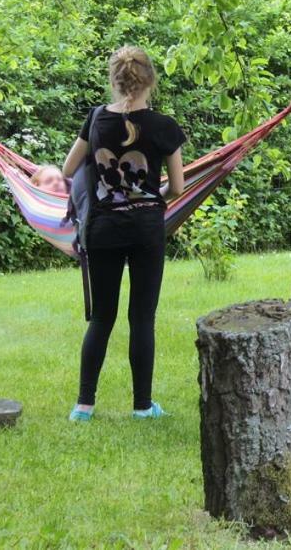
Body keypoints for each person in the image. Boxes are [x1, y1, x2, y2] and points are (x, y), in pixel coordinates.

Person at [61, 46, 186, 421]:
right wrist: (150, 196)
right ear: (150, 80)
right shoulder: (164, 126)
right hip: (146, 228)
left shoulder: (96, 119)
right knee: (142, 317)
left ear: (114, 81)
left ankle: (84, 406)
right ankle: (142, 407)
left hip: (102, 229)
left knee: (101, 317)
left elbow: (69, 168)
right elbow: (178, 188)